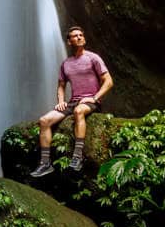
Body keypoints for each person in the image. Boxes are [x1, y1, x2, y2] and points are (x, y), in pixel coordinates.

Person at [31, 26, 113, 177]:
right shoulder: (66, 64)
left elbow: (108, 81)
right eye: (75, 36)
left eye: (81, 35)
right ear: (69, 42)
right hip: (72, 102)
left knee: (79, 111)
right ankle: (45, 163)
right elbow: (61, 86)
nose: (79, 37)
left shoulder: (93, 58)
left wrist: (95, 97)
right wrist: (61, 101)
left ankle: (77, 156)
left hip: (90, 101)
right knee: (44, 120)